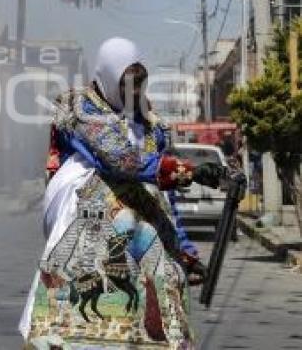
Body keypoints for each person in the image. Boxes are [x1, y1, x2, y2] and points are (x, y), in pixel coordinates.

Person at [20, 37, 226, 349]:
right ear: (108, 76)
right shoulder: (80, 107)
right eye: (127, 82)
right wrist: (188, 171)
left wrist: (183, 247)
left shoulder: (149, 119)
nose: (134, 91)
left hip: (143, 207)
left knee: (165, 276)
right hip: (89, 202)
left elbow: (162, 196)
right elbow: (119, 159)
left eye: (140, 83)